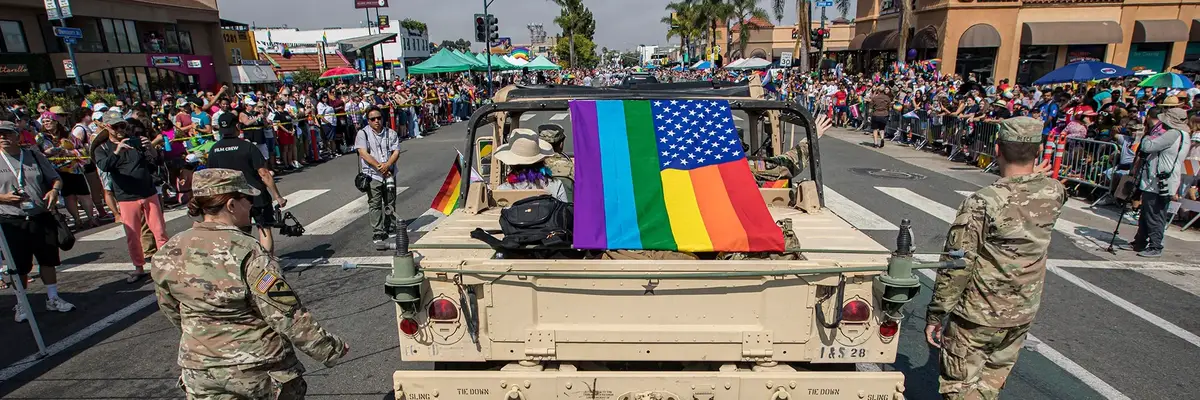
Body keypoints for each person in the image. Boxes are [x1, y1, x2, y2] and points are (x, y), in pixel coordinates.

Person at [152, 168, 348, 399]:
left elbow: (172, 309)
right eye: (247, 199)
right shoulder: (248, 251)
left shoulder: (170, 250)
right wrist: (329, 348)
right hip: (257, 369)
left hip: (200, 370)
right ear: (231, 204)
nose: (251, 206)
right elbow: (284, 314)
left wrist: (203, 338)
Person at [925, 116, 1067, 400]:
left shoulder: (983, 202)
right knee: (988, 387)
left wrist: (937, 313)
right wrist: (1031, 177)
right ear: (1038, 151)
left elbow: (957, 265)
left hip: (979, 315)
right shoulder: (1054, 192)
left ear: (997, 149)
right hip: (1021, 313)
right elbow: (1029, 193)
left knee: (960, 390)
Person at [0, 120, 76, 321]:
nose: (3, 138)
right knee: (19, 265)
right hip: (12, 219)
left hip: (40, 216)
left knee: (48, 259)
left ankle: (52, 297)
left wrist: (54, 191)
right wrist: (3, 198)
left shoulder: (33, 155)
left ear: (17, 135)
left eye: (7, 133)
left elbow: (56, 178)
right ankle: (21, 303)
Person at [94, 110, 170, 283]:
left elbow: (154, 164)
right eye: (116, 126)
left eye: (123, 125)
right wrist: (117, 151)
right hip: (126, 196)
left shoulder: (135, 141)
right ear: (107, 127)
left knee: (159, 231)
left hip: (148, 191)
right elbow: (105, 166)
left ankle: (166, 264)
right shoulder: (103, 148)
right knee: (132, 235)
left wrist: (150, 148)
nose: (121, 129)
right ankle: (139, 267)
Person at [206, 112, 288, 255]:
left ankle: (245, 264)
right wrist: (277, 196)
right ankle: (266, 261)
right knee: (264, 229)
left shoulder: (214, 150)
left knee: (241, 233)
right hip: (255, 195)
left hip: (231, 199)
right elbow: (264, 173)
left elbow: (212, 176)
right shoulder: (247, 147)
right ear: (237, 126)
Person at [1129, 107, 1191, 257]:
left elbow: (1147, 146)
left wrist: (1148, 136)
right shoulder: (1184, 135)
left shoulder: (1173, 134)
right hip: (1165, 178)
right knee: (1147, 211)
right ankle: (1140, 241)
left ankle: (1155, 245)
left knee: (1154, 213)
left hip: (1159, 180)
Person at [353, 107, 401, 250]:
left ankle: (390, 226)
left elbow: (396, 151)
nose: (376, 121)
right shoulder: (363, 134)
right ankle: (378, 231)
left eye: (379, 118)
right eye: (373, 119)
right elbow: (363, 153)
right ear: (368, 120)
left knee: (390, 200)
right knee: (375, 203)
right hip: (372, 173)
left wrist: (388, 166)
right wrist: (380, 167)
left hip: (389, 172)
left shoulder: (391, 133)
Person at [494, 129, 571, 202]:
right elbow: (564, 212)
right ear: (541, 160)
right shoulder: (555, 186)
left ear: (511, 163)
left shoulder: (502, 190)